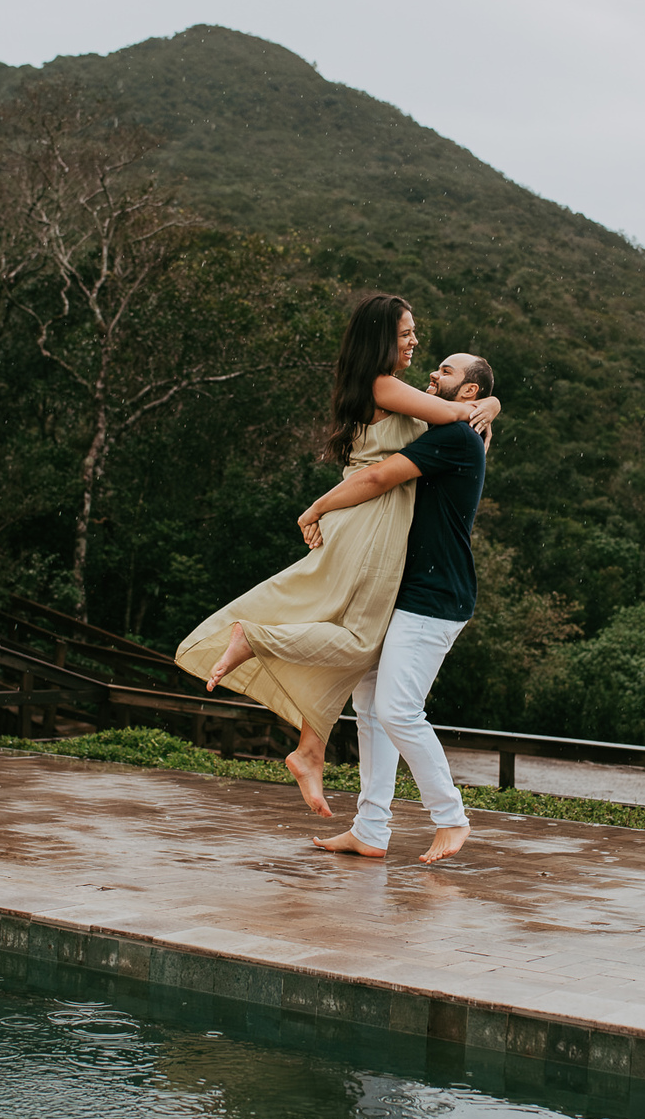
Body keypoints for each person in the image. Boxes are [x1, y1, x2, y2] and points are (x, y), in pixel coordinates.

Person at [174, 295, 499, 817]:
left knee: (347, 639)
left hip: (371, 525)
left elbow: (456, 420)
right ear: (381, 339)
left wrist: (490, 404)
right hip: (370, 526)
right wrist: (484, 404)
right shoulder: (388, 387)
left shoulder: (388, 388)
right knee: (357, 639)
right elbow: (449, 418)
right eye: (406, 334)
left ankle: (312, 750)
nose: (416, 343)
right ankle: (254, 638)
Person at [297, 351, 493, 866]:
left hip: (436, 596)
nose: (432, 374)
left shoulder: (455, 436)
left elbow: (379, 477)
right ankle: (370, 830)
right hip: (403, 590)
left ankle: (451, 818)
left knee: (398, 709)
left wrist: (317, 506)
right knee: (370, 708)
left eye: (447, 373)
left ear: (468, 393)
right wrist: (495, 404)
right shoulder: (445, 426)